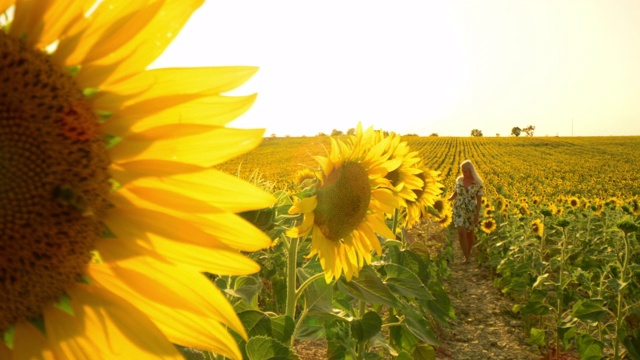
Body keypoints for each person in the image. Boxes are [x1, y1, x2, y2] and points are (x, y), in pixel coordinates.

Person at [447, 160, 484, 263]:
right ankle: (467, 257)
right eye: (462, 171)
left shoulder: (478, 183)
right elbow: (455, 193)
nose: (463, 173)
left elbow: (479, 201)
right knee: (461, 232)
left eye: (466, 171)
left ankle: (468, 253)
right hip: (459, 208)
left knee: (469, 233)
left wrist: (477, 214)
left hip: (471, 210)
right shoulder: (459, 180)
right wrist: (449, 199)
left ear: (471, 171)